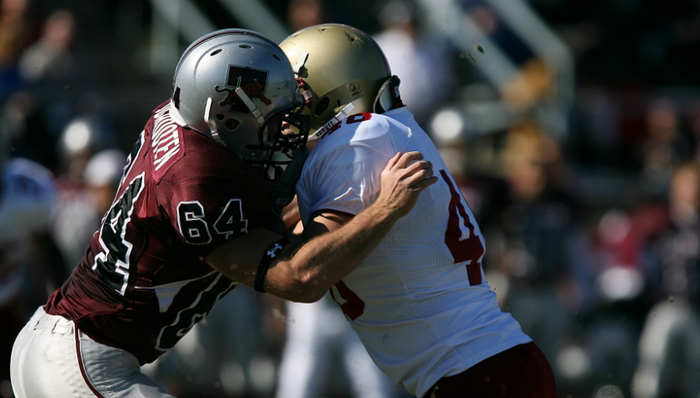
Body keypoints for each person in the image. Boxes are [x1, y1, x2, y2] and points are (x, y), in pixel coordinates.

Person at [9, 28, 436, 398]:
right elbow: (299, 278)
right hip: (84, 361)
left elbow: (253, 223)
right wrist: (385, 208)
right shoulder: (198, 184)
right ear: (223, 116)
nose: (282, 129)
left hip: (55, 340)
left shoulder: (182, 121)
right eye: (270, 116)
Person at [278, 23, 556, 398]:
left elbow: (306, 268)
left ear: (334, 89)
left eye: (297, 94)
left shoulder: (355, 141)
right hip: (486, 365)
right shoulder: (380, 132)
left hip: (474, 372)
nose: (285, 110)